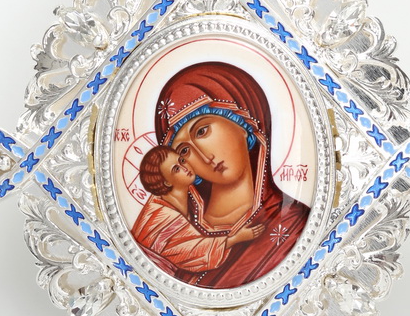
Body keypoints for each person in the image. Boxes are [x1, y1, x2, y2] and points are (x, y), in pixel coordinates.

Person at [132, 61, 310, 289]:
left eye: (202, 131)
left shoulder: (293, 224)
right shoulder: (163, 231)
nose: (203, 157)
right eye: (184, 151)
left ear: (244, 121)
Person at [131, 146, 265, 277]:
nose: (185, 168)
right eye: (176, 169)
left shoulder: (192, 197)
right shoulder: (162, 216)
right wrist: (235, 239)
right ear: (166, 182)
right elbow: (191, 252)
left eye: (182, 160)